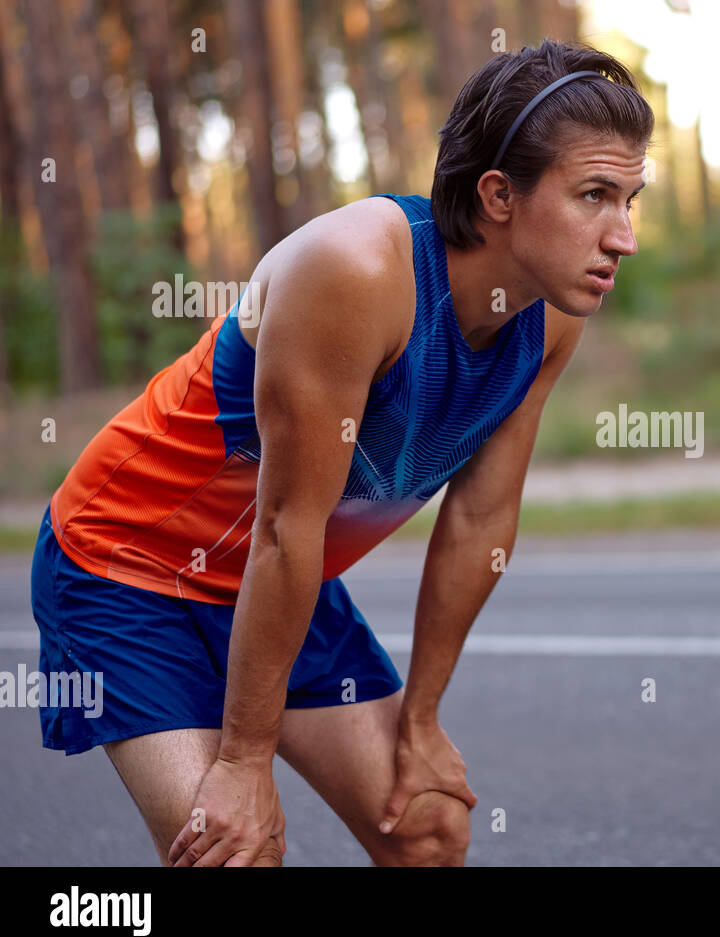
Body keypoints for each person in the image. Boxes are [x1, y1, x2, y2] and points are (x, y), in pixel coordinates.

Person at [28, 38, 654, 866]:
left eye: (630, 200)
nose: (624, 237)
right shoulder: (356, 271)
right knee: (235, 850)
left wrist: (421, 720)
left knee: (427, 827)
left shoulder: (551, 315)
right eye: (595, 196)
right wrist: (243, 762)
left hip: (273, 579)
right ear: (500, 194)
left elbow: (479, 520)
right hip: (128, 566)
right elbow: (286, 528)